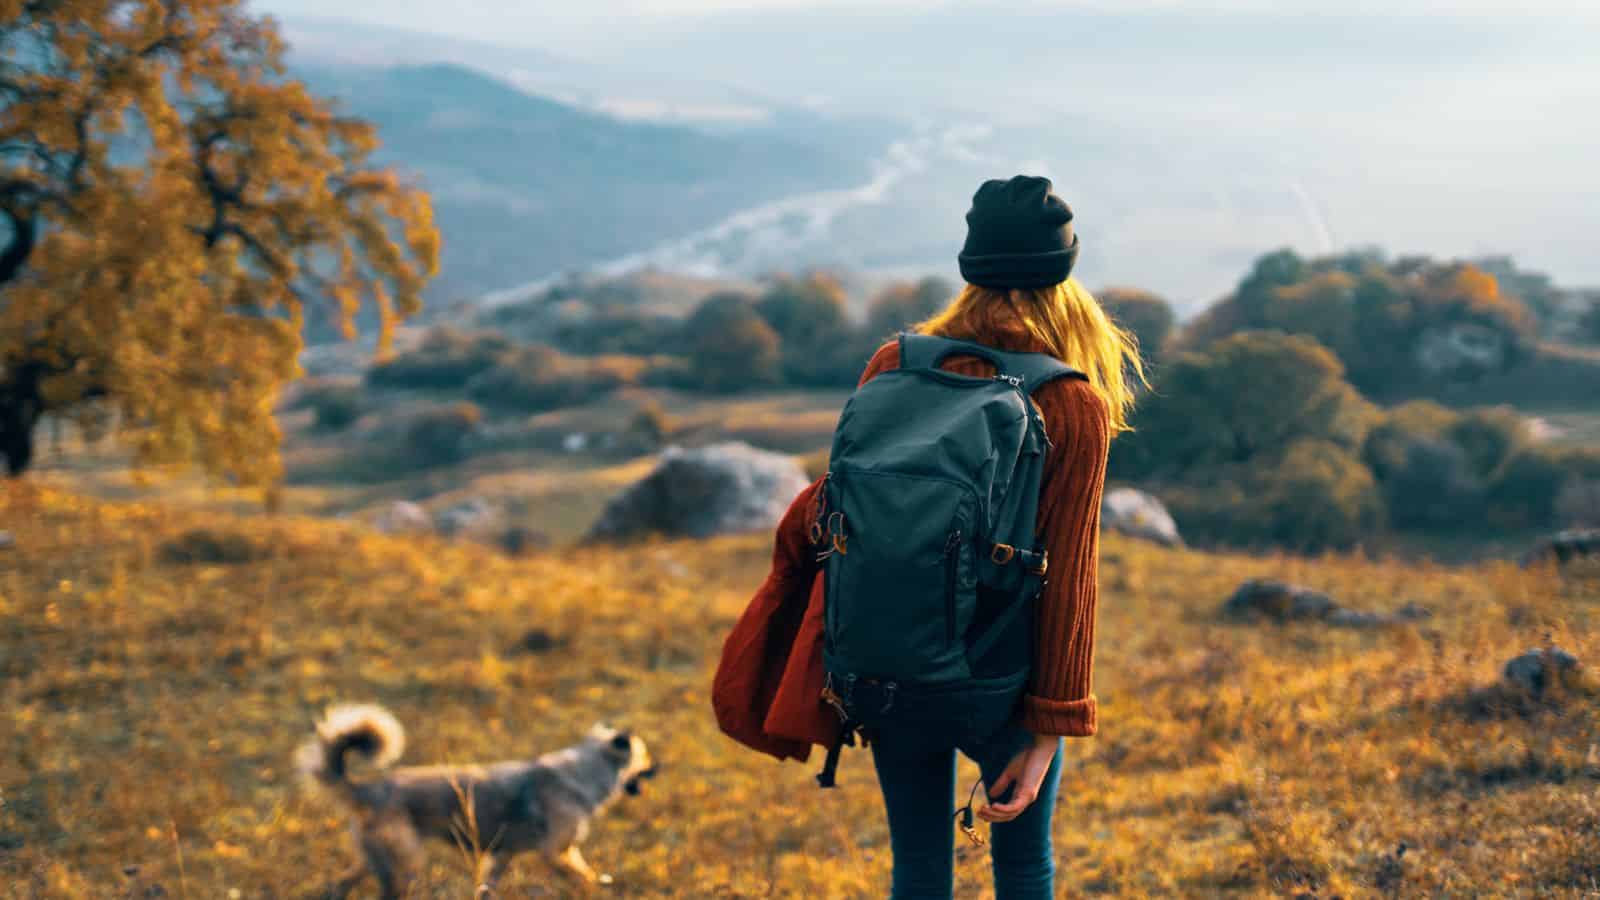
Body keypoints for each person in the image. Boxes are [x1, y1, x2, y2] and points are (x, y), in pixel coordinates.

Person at [713, 175, 1142, 899]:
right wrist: (1050, 727)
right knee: (1023, 865)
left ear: (969, 267)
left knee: (917, 867)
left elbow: (841, 511)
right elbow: (1068, 580)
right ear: (1064, 271)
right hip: (996, 682)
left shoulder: (895, 366)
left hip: (886, 667)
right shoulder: (1072, 401)